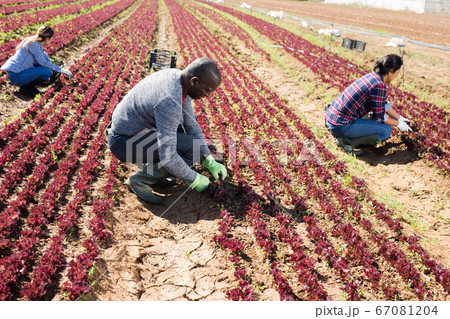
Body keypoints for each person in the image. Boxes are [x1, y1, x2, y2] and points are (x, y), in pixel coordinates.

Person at [107, 57, 227, 204]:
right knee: (191, 149)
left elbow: (190, 124)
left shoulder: (180, 80)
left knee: (187, 133)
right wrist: (194, 178)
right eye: (207, 90)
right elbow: (168, 157)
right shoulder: (170, 100)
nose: (208, 95)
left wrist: (208, 158)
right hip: (123, 142)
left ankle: (155, 174)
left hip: (134, 131)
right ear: (194, 81)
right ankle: (140, 181)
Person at [325, 54, 412, 155]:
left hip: (332, 118)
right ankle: (346, 142)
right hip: (341, 125)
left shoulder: (373, 76)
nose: (397, 76)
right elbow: (380, 118)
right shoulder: (379, 85)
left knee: (367, 117)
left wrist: (399, 118)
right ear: (390, 71)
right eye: (396, 73)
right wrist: (398, 124)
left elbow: (381, 103)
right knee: (386, 130)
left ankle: (344, 133)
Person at [1, 25, 73, 98]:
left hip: (20, 73)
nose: (52, 40)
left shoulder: (35, 43)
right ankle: (25, 88)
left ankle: (31, 87)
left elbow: (45, 58)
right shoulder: (33, 44)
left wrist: (55, 67)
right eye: (51, 38)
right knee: (46, 72)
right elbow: (43, 62)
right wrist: (61, 70)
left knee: (45, 69)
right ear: (47, 38)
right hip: (17, 76)